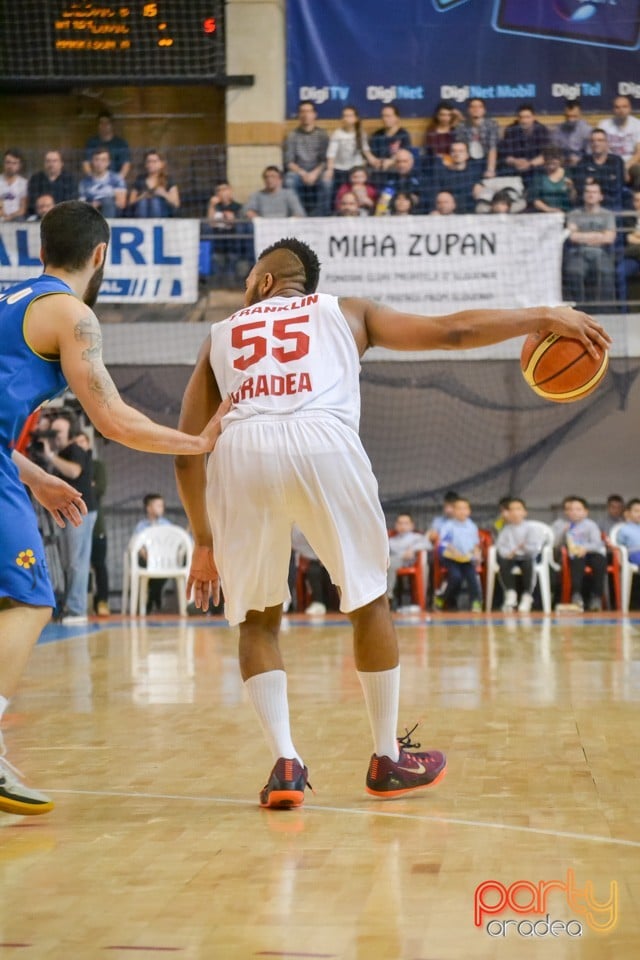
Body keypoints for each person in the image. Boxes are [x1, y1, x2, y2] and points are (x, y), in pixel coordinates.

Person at [173, 235, 609, 809]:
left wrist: (203, 539)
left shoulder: (219, 334)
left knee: (256, 620)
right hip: (323, 441)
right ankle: (387, 758)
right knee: (367, 600)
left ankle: (285, 763)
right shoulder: (347, 312)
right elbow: (453, 332)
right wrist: (543, 314)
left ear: (265, 281)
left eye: (249, 280)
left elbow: (185, 449)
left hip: (241, 450)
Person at [0, 200, 227, 816]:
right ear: (101, 255)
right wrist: (197, 441)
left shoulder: (9, 300)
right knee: (30, 600)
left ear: (41, 249)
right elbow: (113, 418)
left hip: (5, 462)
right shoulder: (72, 315)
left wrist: (38, 475)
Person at [40, 414, 97, 625]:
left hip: (82, 512)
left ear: (70, 434)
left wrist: (50, 456)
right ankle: (70, 606)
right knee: (67, 561)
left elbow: (74, 471)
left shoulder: (75, 450)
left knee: (77, 561)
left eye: (58, 432)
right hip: (66, 512)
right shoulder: (61, 453)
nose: (54, 436)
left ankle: (77, 609)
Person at [564, 182, 616, 309]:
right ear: (583, 195)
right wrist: (598, 236)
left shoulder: (608, 214)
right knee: (573, 272)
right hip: (578, 253)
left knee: (605, 272)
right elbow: (572, 237)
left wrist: (583, 236)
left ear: (600, 196)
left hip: (601, 252)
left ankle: (606, 310)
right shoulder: (574, 214)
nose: (590, 195)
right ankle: (579, 310)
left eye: (594, 192)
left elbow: (609, 238)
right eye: (588, 192)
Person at [556, 497, 607, 611]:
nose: (574, 512)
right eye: (571, 509)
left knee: (600, 561)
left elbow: (597, 543)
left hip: (591, 552)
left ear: (585, 512)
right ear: (567, 512)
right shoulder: (564, 525)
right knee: (577, 561)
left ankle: (596, 597)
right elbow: (557, 545)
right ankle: (576, 595)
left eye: (578, 509)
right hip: (574, 555)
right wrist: (563, 532)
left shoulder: (591, 525)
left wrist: (585, 548)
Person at [495, 498, 544, 613]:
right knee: (503, 563)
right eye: (512, 510)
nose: (515, 512)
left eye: (518, 509)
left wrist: (525, 548)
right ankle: (510, 593)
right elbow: (501, 546)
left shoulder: (531, 528)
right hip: (511, 557)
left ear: (524, 512)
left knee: (528, 564)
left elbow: (535, 548)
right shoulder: (505, 529)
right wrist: (507, 554)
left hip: (526, 556)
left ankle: (527, 596)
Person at [283, 100, 331, 216]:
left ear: (315, 114)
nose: (306, 115)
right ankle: (299, 214)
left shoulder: (322, 135)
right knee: (289, 181)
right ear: (299, 115)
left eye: (309, 111)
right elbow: (289, 162)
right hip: (299, 172)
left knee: (327, 182)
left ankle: (320, 216)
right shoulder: (292, 135)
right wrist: (303, 173)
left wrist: (314, 173)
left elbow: (325, 160)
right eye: (302, 112)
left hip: (317, 171)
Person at [434, 497, 482, 612]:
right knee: (456, 577)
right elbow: (444, 542)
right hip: (451, 558)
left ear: (469, 511)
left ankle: (476, 601)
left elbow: (475, 544)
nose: (462, 511)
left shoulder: (472, 526)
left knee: (472, 577)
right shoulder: (448, 526)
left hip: (466, 559)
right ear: (453, 511)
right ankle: (442, 598)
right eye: (458, 508)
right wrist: (455, 552)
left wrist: (476, 554)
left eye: (464, 508)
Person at [133, 493, 173, 613]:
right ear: (148, 508)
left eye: (162, 505)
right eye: (158, 505)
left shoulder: (167, 524)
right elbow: (138, 545)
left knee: (165, 570)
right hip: (146, 560)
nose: (161, 508)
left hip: (164, 561)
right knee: (144, 566)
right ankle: (154, 597)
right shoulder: (141, 526)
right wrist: (148, 557)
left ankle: (151, 597)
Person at [323, 105, 375, 197]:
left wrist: (376, 162)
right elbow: (331, 154)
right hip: (340, 170)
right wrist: (330, 170)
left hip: (356, 169)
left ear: (356, 118)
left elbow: (366, 151)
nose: (346, 118)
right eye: (344, 116)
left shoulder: (361, 133)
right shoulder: (337, 134)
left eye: (349, 116)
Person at [498, 103, 550, 185]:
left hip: (535, 166)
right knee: (504, 169)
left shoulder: (542, 130)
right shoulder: (510, 130)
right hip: (515, 166)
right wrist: (515, 161)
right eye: (521, 117)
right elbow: (506, 156)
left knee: (541, 170)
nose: (524, 121)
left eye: (527, 117)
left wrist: (530, 164)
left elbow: (546, 155)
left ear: (533, 117)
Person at [573, 129, 625, 211]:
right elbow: (580, 187)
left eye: (600, 140)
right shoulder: (583, 162)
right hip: (588, 204)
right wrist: (606, 180)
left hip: (610, 203)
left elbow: (616, 186)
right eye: (593, 141)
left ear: (607, 143)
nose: (596, 143)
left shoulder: (616, 161)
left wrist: (593, 180)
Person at [387, 514, 429, 610]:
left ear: (412, 525)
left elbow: (428, 544)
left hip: (407, 561)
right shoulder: (391, 540)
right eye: (400, 523)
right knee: (387, 564)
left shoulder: (416, 537)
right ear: (396, 525)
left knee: (390, 564)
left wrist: (413, 549)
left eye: (406, 523)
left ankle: (388, 596)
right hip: (391, 561)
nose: (403, 526)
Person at [454, 97, 499, 179]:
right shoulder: (461, 126)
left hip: (486, 159)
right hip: (469, 160)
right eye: (473, 107)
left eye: (479, 107)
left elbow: (492, 148)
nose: (476, 109)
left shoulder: (491, 124)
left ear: (484, 110)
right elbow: (461, 148)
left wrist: (490, 170)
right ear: (468, 110)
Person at [128, 150, 180, 218]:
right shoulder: (140, 179)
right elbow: (130, 202)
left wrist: (164, 194)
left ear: (162, 164)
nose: (151, 164)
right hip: (142, 211)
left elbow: (176, 203)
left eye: (154, 161)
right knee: (143, 203)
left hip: (162, 214)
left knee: (155, 202)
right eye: (148, 161)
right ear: (145, 164)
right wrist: (142, 197)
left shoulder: (168, 179)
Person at [79, 149, 127, 219]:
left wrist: (101, 203)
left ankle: (106, 227)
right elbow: (81, 205)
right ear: (92, 161)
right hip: (91, 213)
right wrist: (92, 205)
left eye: (103, 160)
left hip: (113, 213)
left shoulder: (116, 179)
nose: (99, 163)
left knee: (107, 202)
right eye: (96, 159)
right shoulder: (84, 182)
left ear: (108, 162)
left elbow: (121, 203)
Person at [83, 110, 131, 180]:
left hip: (114, 183)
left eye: (107, 123)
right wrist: (93, 180)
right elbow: (86, 163)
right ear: (98, 125)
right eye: (101, 123)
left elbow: (126, 165)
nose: (104, 126)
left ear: (112, 125)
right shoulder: (91, 143)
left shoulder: (121, 143)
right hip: (96, 182)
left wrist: (117, 181)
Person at [27, 150, 77, 215]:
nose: (51, 164)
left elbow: (72, 202)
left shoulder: (69, 179)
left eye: (54, 161)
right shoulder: (36, 178)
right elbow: (32, 202)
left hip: (63, 215)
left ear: (61, 163)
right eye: (48, 161)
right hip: (39, 216)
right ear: (44, 163)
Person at [529, 147, 575, 214]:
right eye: (548, 159)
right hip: (544, 213)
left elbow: (573, 199)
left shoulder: (568, 173)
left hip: (566, 212)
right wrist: (550, 210)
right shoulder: (539, 175)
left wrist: (571, 189)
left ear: (560, 160)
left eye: (554, 159)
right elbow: (535, 200)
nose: (551, 161)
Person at [551, 100, 593, 170]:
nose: (571, 120)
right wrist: (562, 159)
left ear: (580, 114)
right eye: (568, 116)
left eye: (574, 116)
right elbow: (554, 151)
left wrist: (580, 159)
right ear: (564, 115)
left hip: (582, 166)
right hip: (563, 165)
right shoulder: (558, 130)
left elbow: (590, 154)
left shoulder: (587, 130)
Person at [0, 147, 28, 222]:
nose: (10, 166)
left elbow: (23, 209)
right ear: (4, 163)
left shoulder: (24, 183)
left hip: (17, 219)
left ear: (19, 165)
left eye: (14, 163)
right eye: (8, 162)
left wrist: (9, 217)